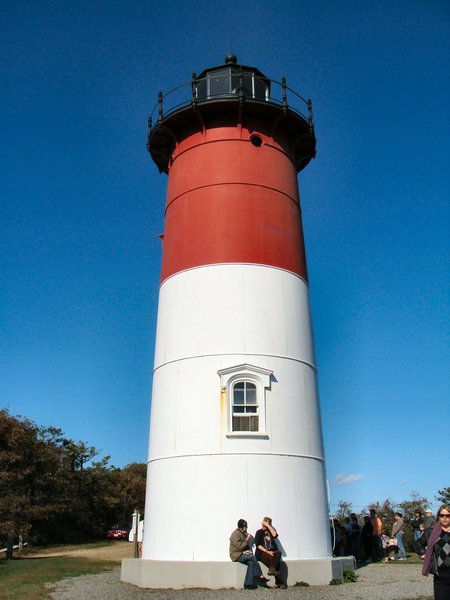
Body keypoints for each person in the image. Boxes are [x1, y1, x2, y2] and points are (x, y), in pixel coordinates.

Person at [415, 504, 450, 600]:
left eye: (448, 515)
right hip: (440, 576)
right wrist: (423, 553)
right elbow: (418, 543)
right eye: (442, 515)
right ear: (438, 516)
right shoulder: (431, 532)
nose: (445, 518)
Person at [229, 519, 268, 589]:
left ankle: (247, 584)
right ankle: (260, 575)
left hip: (241, 554)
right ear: (242, 527)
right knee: (252, 557)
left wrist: (248, 550)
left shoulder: (243, 533)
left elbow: (246, 544)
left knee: (251, 563)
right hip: (235, 555)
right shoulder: (235, 534)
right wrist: (247, 540)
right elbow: (240, 547)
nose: (247, 528)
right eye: (246, 527)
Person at [254, 517, 287, 589]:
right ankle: (280, 583)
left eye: (265, 525)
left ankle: (272, 571)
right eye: (263, 524)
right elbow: (258, 545)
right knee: (276, 563)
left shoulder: (271, 532)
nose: (263, 526)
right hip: (262, 553)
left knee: (278, 553)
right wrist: (267, 552)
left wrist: (269, 526)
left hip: (273, 553)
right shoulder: (259, 532)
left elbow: (275, 535)